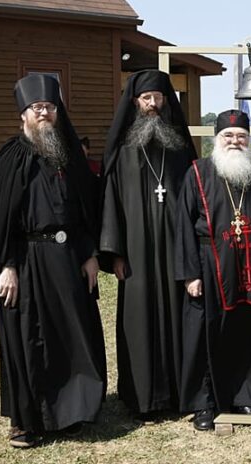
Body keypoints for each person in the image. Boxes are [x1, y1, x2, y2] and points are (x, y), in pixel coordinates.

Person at [0, 74, 106, 448]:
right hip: (28, 259)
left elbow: (86, 210)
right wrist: (7, 265)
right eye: (37, 108)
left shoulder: (68, 155)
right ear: (23, 114)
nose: (44, 112)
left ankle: (71, 412)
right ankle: (26, 420)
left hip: (69, 258)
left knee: (71, 334)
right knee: (28, 338)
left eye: (50, 107)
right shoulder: (9, 158)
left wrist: (89, 254)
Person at [174, 109, 251, 431]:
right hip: (208, 264)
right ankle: (205, 404)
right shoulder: (197, 173)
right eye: (228, 136)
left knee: (250, 332)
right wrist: (190, 274)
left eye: (241, 136)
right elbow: (183, 227)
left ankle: (249, 396)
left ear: (248, 139)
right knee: (206, 333)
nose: (234, 141)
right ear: (217, 140)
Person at [99, 69, 198, 421]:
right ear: (135, 102)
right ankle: (141, 397)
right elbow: (110, 201)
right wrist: (115, 254)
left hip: (175, 249)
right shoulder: (123, 150)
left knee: (178, 315)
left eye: (158, 98)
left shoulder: (181, 149)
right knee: (138, 319)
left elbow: (195, 200)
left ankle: (177, 391)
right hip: (137, 254)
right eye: (146, 98)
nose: (153, 104)